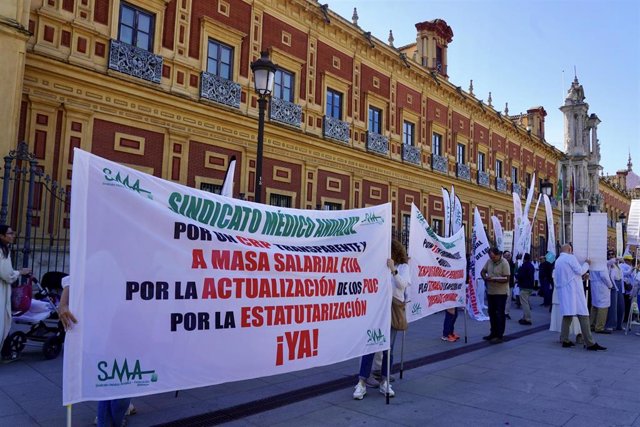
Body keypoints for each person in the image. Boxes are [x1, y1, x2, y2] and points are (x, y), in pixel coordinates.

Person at [59, 276, 135, 426]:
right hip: (102, 331)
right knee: (109, 384)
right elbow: (72, 277)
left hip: (128, 329)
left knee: (121, 391)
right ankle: (106, 421)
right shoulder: (101, 256)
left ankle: (111, 420)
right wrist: (63, 304)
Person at [353, 239, 410, 400]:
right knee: (370, 345)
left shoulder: (403, 267)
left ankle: (385, 381)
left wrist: (393, 270)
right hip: (377, 308)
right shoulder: (378, 265)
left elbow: (402, 285)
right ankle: (361, 382)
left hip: (393, 308)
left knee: (388, 348)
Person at [553, 244, 606, 351]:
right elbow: (579, 270)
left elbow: (569, 276)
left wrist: (581, 278)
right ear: (569, 250)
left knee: (567, 316)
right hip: (574, 293)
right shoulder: (570, 257)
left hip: (565, 292)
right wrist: (587, 264)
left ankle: (565, 339)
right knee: (584, 315)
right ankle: (590, 343)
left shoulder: (558, 261)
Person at [0, 225, 31, 362]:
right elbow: (8, 275)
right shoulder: (2, 252)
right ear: (1, 236)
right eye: (10, 233)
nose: (13, 235)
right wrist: (20, 272)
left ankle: (5, 352)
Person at [481, 248, 510, 344]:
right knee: (491, 313)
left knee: (499, 313)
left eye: (493, 257)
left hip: (501, 293)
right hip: (491, 292)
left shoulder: (504, 263)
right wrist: (485, 278)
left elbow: (507, 278)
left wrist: (494, 279)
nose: (492, 259)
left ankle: (499, 335)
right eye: (490, 257)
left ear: (498, 255)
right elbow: (483, 271)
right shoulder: (489, 261)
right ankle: (493, 333)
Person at [605, 252, 625, 332]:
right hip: (614, 284)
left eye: (612, 254)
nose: (611, 255)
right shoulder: (608, 263)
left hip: (620, 283)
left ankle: (619, 325)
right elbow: (610, 262)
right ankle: (610, 324)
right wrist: (617, 259)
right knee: (613, 306)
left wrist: (632, 270)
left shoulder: (618, 265)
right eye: (609, 254)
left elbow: (623, 274)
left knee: (621, 305)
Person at [516, 253, 535, 325]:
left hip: (524, 286)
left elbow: (520, 276)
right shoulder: (531, 266)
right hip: (529, 286)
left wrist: (516, 276)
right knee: (525, 302)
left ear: (524, 259)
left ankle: (527, 319)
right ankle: (524, 317)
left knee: (525, 304)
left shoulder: (524, 266)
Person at [503, 251, 516, 320]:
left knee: (508, 299)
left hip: (510, 284)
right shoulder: (501, 263)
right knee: (502, 299)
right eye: (506, 255)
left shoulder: (512, 263)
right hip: (502, 284)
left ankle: (506, 313)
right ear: (503, 256)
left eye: (509, 255)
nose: (508, 256)